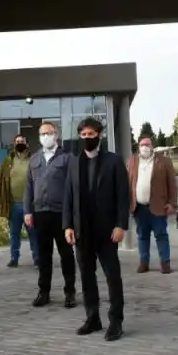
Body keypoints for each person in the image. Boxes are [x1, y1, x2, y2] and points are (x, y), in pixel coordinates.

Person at [62, 117, 129, 341]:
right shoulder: (73, 162)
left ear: (99, 135)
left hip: (107, 230)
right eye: (83, 135)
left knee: (112, 276)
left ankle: (116, 321)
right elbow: (68, 197)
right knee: (86, 276)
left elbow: (122, 195)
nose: (87, 139)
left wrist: (121, 224)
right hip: (82, 231)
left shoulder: (113, 161)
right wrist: (67, 226)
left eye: (91, 135)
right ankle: (93, 318)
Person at [24, 121, 77, 309]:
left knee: (66, 255)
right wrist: (27, 211)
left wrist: (72, 214)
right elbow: (29, 187)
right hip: (40, 214)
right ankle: (43, 292)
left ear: (56, 135)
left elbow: (73, 188)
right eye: (42, 133)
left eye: (49, 133)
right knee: (44, 256)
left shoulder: (67, 158)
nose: (46, 136)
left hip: (61, 214)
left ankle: (70, 292)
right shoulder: (34, 159)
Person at [128, 133, 177, 274]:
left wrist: (172, 203)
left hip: (158, 206)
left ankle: (165, 262)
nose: (145, 147)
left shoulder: (163, 161)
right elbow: (128, 183)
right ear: (138, 146)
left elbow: (172, 184)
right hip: (139, 207)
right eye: (142, 145)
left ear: (152, 146)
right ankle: (144, 262)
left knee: (161, 235)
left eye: (147, 144)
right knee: (142, 236)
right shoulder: (132, 161)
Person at [0, 134, 39, 268]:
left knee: (33, 233)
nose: (20, 143)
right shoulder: (8, 161)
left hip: (30, 205)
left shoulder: (34, 159)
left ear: (26, 143)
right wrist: (0, 201)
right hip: (13, 204)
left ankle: (37, 257)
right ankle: (14, 258)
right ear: (14, 144)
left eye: (22, 141)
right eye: (17, 141)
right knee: (14, 233)